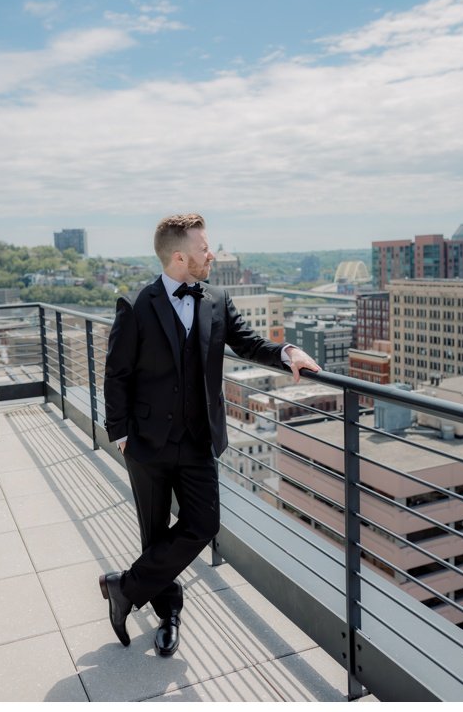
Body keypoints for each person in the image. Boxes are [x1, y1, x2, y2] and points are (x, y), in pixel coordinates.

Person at [102, 213, 320, 656]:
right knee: (154, 531)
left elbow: (249, 343)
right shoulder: (136, 304)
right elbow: (116, 373)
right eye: (204, 248)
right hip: (146, 443)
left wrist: (287, 351)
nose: (212, 254)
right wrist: (121, 432)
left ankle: (124, 586)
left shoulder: (217, 299)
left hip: (199, 439)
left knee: (203, 523)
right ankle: (169, 612)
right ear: (180, 256)